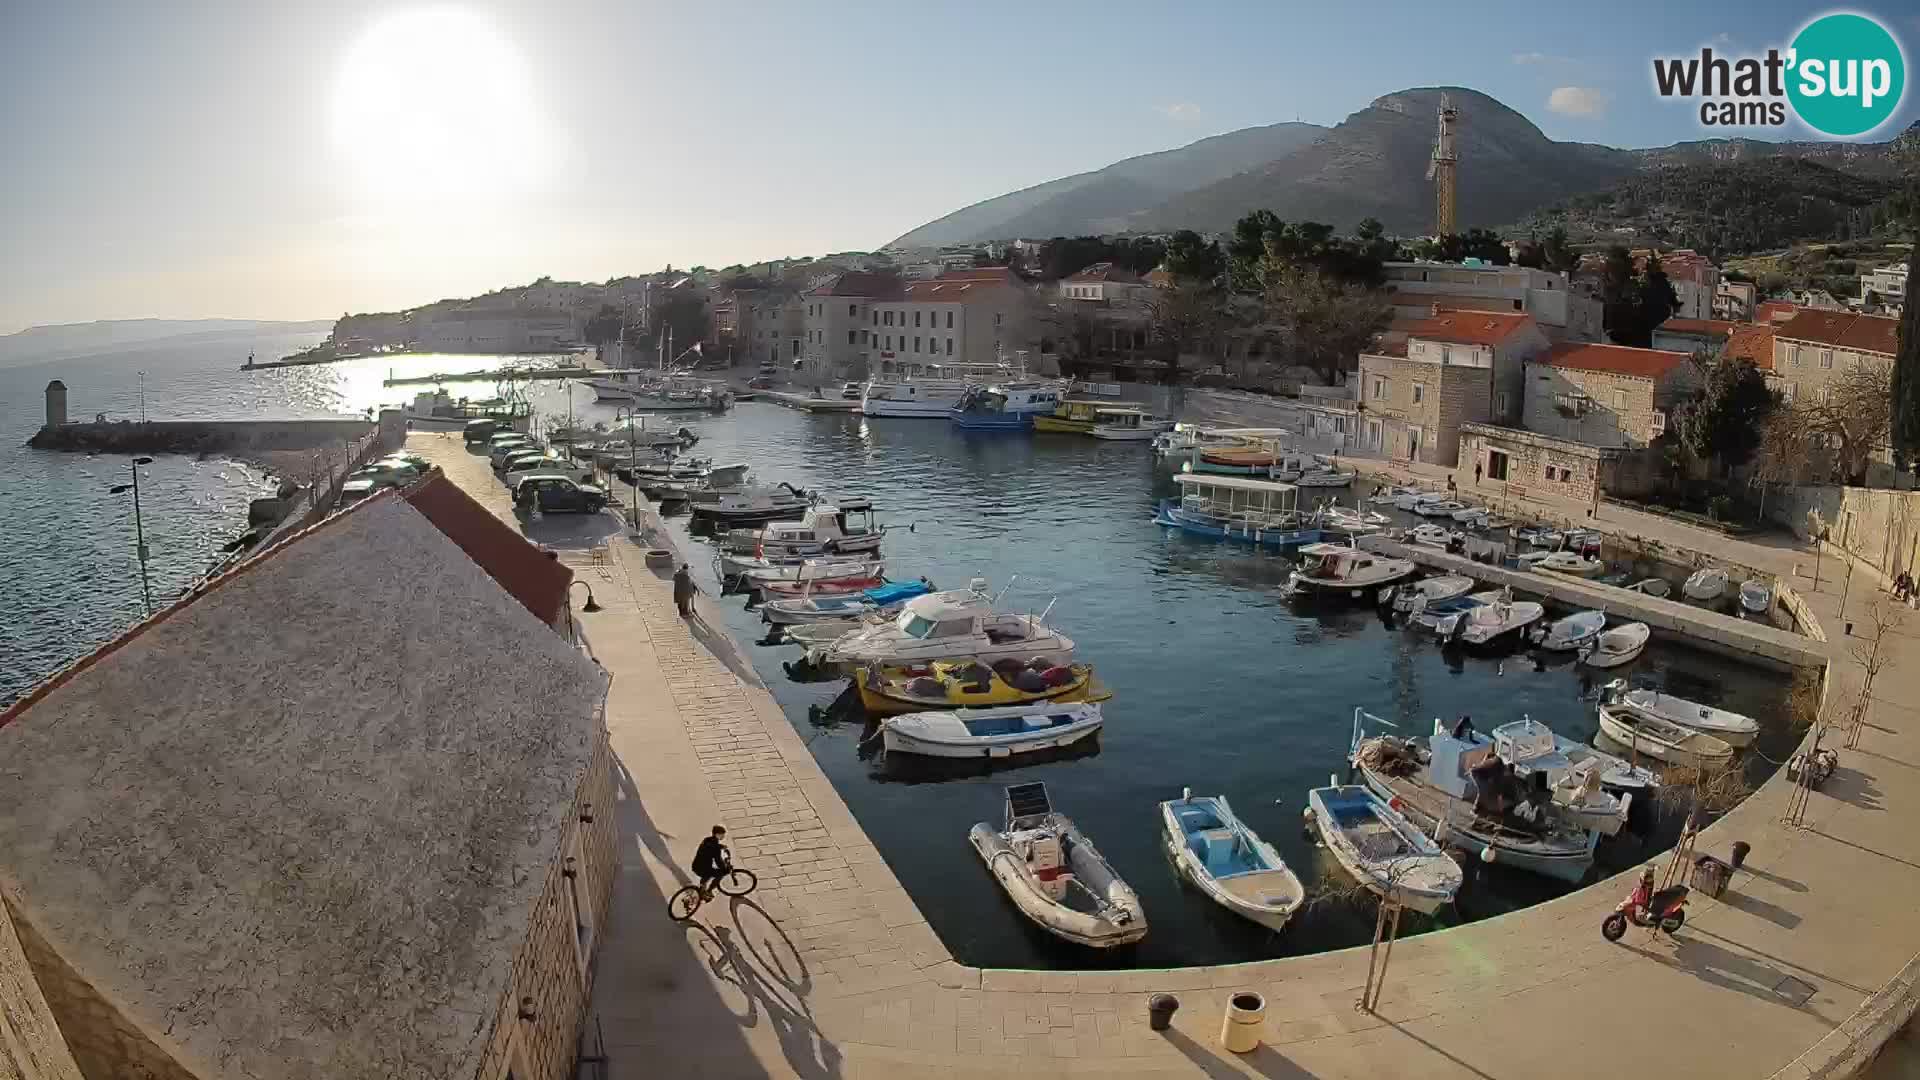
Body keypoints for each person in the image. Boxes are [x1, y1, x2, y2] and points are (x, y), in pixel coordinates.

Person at [692, 825, 730, 900]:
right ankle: (708, 891)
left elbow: (711, 846)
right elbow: (718, 861)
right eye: (722, 834)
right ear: (717, 834)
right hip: (702, 869)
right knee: (720, 873)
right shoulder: (715, 847)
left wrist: (721, 846)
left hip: (696, 865)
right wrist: (725, 868)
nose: (723, 836)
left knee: (708, 872)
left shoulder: (707, 840)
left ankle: (702, 886)